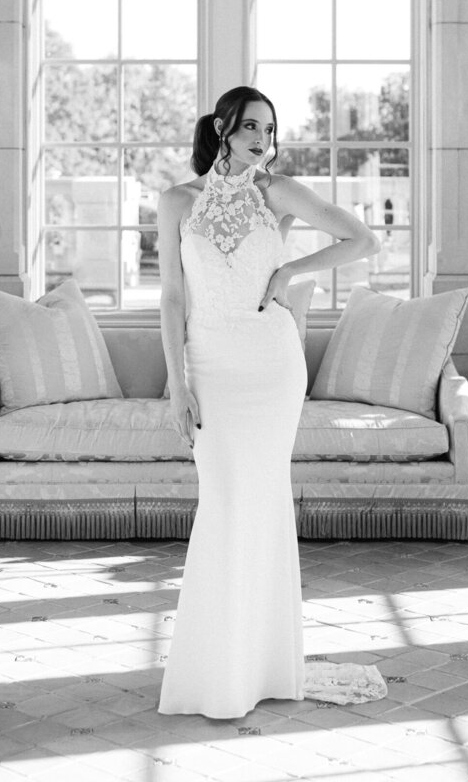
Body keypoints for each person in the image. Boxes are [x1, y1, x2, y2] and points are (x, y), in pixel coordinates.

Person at [156, 85, 383, 719]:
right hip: (210, 364)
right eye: (251, 126)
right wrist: (177, 384)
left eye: (270, 128)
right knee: (223, 504)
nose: (262, 137)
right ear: (223, 128)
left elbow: (362, 240)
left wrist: (290, 273)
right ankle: (218, 667)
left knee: (259, 502)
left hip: (271, 364)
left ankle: (261, 665)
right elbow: (173, 298)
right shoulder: (177, 200)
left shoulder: (275, 192)